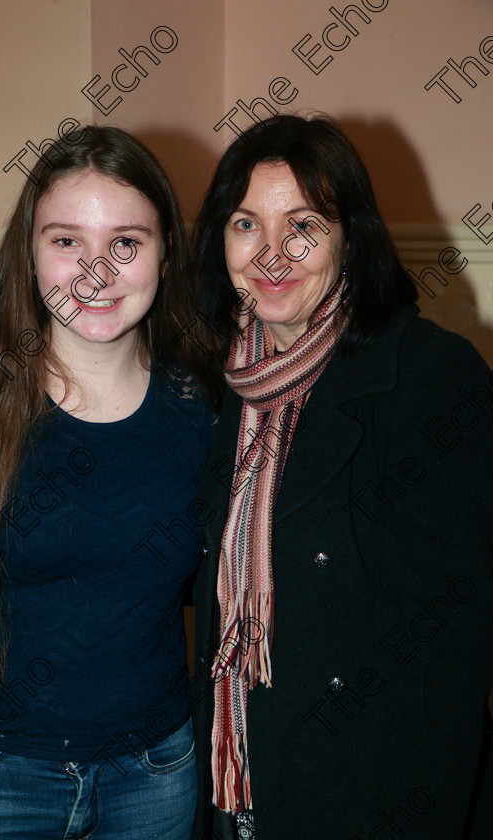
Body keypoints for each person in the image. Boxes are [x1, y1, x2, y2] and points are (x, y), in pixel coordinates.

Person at [190, 114, 493, 840]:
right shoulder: (212, 384)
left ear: (349, 237)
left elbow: (456, 644)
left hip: (370, 790)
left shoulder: (431, 378)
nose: (270, 254)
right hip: (241, 780)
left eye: (302, 225)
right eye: (244, 225)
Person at [0, 124, 222, 839]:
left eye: (126, 242)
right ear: (29, 254)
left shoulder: (207, 411)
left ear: (164, 255)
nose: (96, 271)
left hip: (153, 780)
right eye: (67, 241)